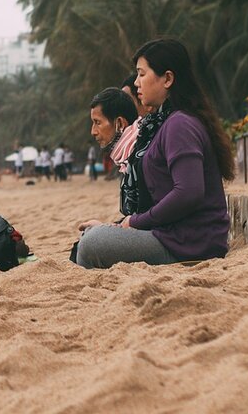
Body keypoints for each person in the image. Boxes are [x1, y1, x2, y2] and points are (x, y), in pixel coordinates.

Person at [75, 38, 236, 269]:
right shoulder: (168, 122)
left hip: (190, 243)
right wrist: (119, 226)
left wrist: (135, 222)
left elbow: (188, 192)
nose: (136, 83)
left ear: (168, 79)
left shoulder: (180, 124)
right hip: (175, 236)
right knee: (91, 236)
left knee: (92, 243)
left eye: (141, 74)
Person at [88, 87, 138, 187]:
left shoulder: (141, 160)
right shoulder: (128, 161)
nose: (93, 132)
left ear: (119, 123)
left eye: (97, 122)